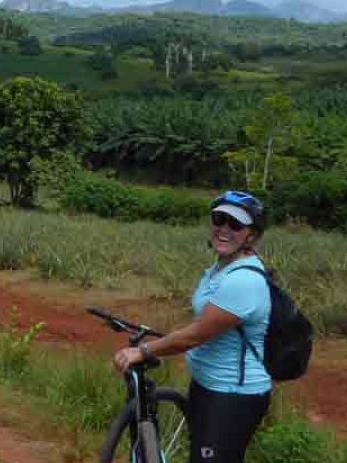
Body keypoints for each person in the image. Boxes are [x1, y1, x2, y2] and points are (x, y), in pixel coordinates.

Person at [112, 191, 272, 463]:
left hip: (231, 395)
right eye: (219, 219)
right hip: (208, 386)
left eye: (235, 225)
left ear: (251, 236)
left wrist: (145, 350)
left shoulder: (244, 281)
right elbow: (203, 322)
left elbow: (197, 335)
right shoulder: (220, 268)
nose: (224, 229)